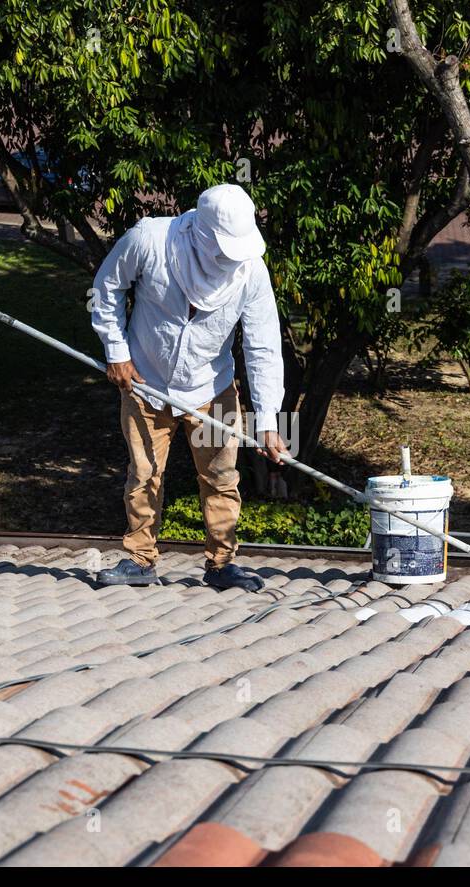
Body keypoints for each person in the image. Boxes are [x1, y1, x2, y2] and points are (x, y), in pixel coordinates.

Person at [89, 184, 286, 591]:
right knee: (144, 473)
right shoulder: (150, 239)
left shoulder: (252, 271)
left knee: (220, 476)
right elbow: (107, 288)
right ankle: (140, 560)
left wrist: (267, 421)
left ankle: (221, 564)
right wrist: (116, 351)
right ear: (202, 232)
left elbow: (263, 345)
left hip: (211, 389)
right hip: (145, 383)